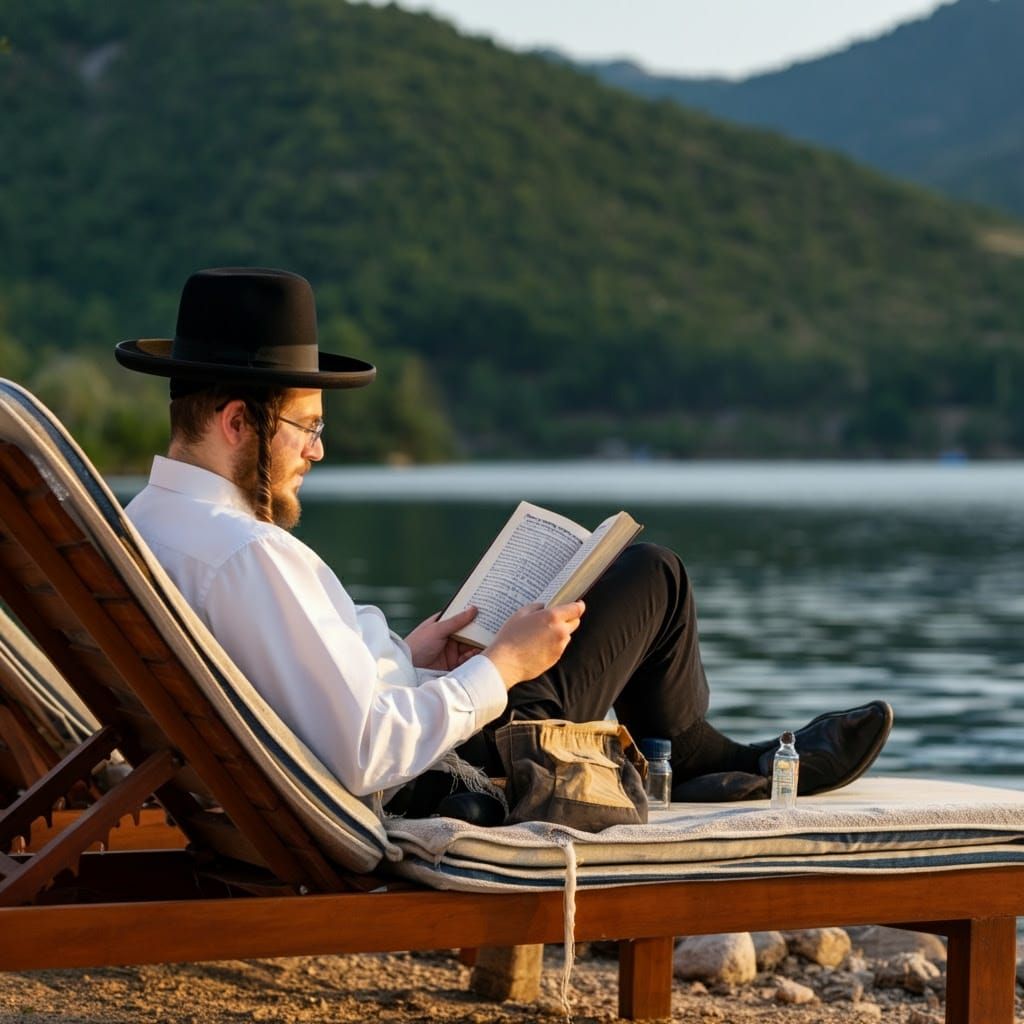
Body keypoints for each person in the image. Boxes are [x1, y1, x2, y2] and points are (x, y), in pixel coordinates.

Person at [115, 267, 892, 819]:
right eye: (307, 428)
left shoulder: (148, 526)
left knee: (627, 582)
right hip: (450, 774)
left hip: (347, 759)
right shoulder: (247, 553)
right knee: (652, 576)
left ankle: (689, 751)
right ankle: (691, 754)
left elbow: (304, 688)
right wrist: (502, 666)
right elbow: (363, 751)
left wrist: (407, 659)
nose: (316, 452)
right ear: (239, 423)